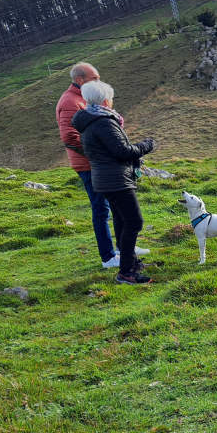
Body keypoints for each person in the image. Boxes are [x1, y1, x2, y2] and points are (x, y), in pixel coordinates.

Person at [73, 80, 156, 283]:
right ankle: (127, 272)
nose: (111, 101)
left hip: (105, 178)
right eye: (110, 98)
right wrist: (147, 145)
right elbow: (122, 151)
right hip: (116, 179)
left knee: (121, 220)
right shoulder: (104, 122)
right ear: (104, 100)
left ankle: (130, 264)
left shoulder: (90, 121)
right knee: (134, 221)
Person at [57, 62, 126, 269]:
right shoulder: (70, 101)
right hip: (89, 164)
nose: (98, 81)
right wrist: (100, 152)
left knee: (115, 205)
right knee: (101, 209)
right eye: (94, 78)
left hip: (97, 162)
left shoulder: (83, 98)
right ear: (79, 80)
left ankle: (123, 248)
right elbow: (69, 137)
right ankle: (108, 256)